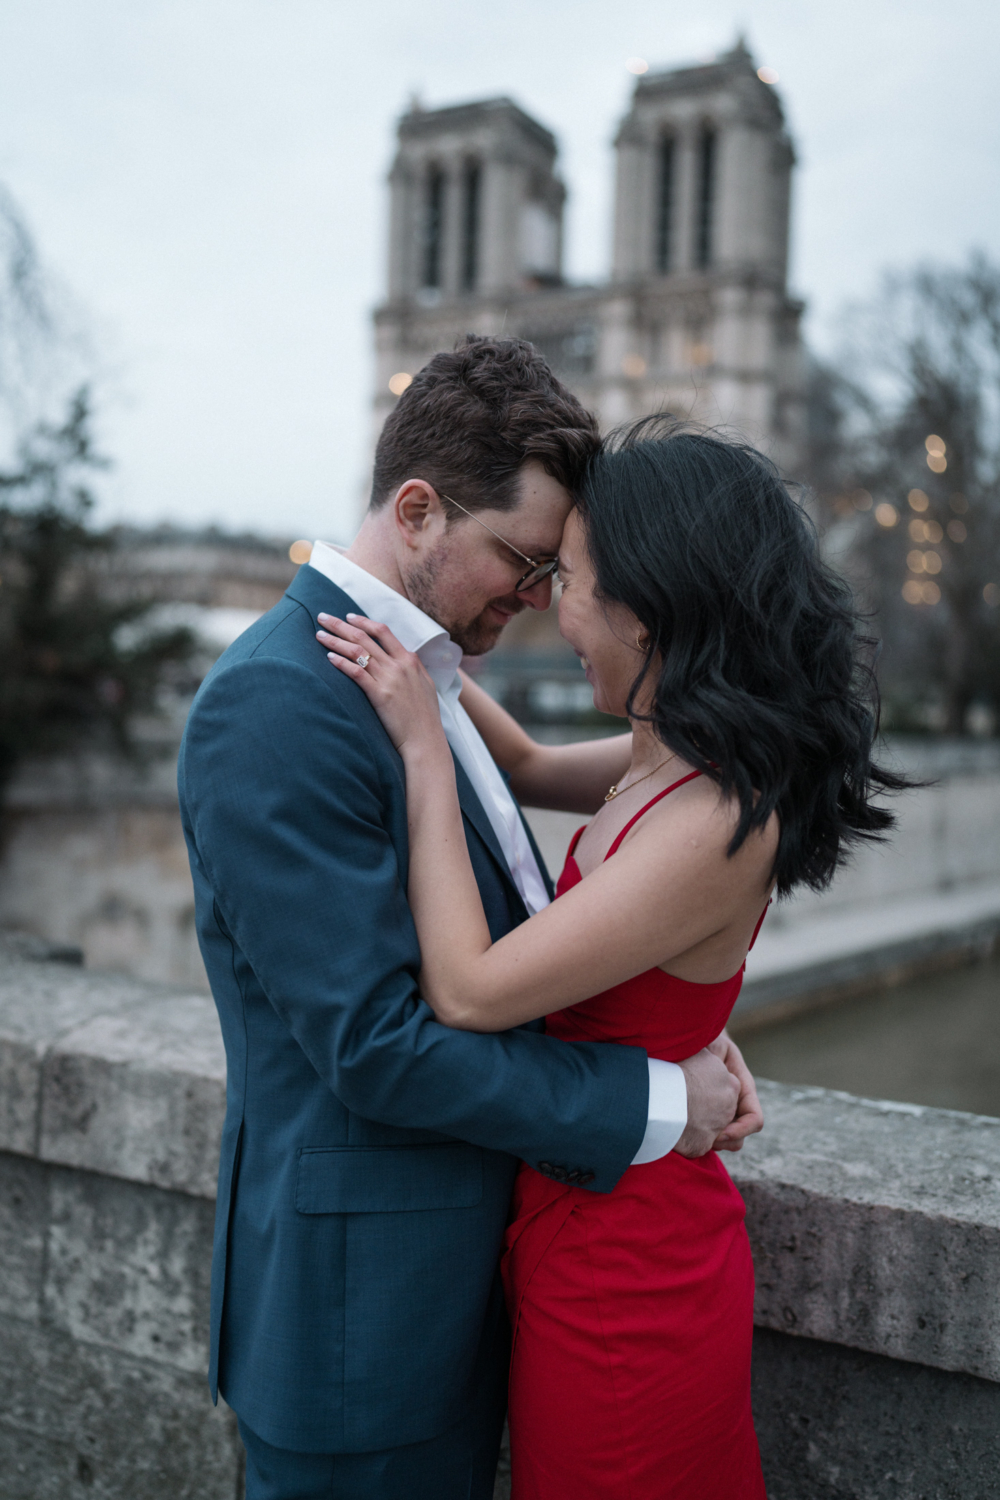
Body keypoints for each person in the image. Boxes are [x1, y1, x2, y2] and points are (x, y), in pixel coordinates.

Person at [178, 342, 759, 1500]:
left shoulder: (412, 679)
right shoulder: (277, 705)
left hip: (457, 1301)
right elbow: (375, 1048)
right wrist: (656, 1096)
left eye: (554, 572)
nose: (539, 597)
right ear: (417, 510)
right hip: (359, 1337)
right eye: (521, 559)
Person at [318, 415, 908, 1499]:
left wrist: (418, 749)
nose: (551, 604)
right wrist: (409, 637)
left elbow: (467, 989)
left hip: (629, 1281)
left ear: (650, 605)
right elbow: (535, 763)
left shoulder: (716, 812)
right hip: (582, 1219)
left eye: (573, 580)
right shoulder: (666, 753)